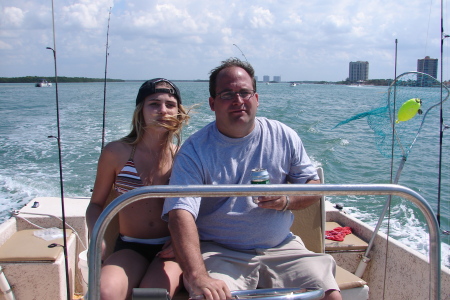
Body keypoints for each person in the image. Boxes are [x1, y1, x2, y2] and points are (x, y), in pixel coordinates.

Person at [162, 58, 342, 300]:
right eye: (227, 94)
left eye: (245, 92)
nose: (238, 101)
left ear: (256, 99)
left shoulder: (284, 136)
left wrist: (286, 199)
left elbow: (313, 186)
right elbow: (180, 213)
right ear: (212, 104)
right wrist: (198, 276)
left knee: (328, 295)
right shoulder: (194, 150)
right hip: (219, 252)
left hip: (282, 248)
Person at [86, 78, 189, 300]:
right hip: (130, 247)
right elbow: (95, 205)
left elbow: (197, 207)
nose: (163, 110)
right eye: (154, 103)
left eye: (170, 105)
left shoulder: (183, 155)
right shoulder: (116, 152)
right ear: (140, 110)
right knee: (103, 292)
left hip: (171, 249)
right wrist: (99, 240)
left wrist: (182, 240)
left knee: (152, 295)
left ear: (178, 112)